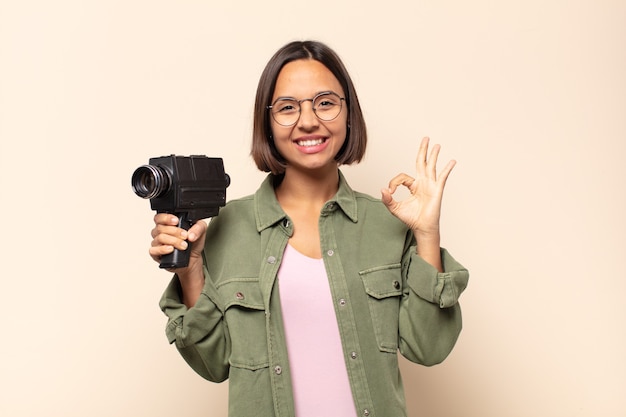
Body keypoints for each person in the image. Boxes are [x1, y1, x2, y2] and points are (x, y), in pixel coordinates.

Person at [149, 40, 469, 417]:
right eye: (287, 107)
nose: (308, 121)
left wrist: (428, 235)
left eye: (326, 102)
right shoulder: (226, 227)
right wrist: (190, 273)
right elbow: (213, 364)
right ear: (266, 124)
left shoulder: (388, 224)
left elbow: (428, 348)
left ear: (349, 114)